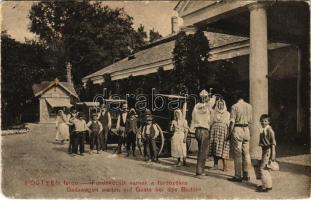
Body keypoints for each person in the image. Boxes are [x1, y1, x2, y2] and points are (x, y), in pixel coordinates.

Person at [227, 90, 253, 182]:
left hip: (237, 129)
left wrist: (229, 133)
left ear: (236, 96)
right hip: (246, 129)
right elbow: (250, 120)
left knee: (237, 154)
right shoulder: (249, 106)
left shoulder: (234, 106)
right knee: (246, 153)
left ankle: (238, 176)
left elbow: (232, 121)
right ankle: (247, 174)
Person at [191, 89, 214, 177]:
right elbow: (212, 101)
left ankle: (200, 170)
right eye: (207, 97)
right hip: (204, 130)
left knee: (201, 150)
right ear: (206, 97)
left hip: (197, 130)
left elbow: (193, 117)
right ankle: (200, 172)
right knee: (203, 152)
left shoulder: (197, 106)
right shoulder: (208, 106)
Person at [256, 114, 276, 192]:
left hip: (268, 150)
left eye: (265, 121)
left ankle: (264, 187)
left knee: (262, 168)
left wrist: (273, 155)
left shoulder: (270, 130)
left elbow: (273, 143)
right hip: (264, 150)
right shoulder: (263, 130)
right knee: (266, 169)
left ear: (268, 122)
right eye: (262, 121)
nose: (263, 122)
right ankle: (268, 186)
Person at [208, 99, 230, 171]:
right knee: (215, 146)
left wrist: (228, 133)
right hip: (215, 131)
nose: (221, 106)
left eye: (222, 104)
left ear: (224, 105)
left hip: (224, 131)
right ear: (217, 105)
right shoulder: (214, 113)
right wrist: (210, 130)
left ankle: (225, 166)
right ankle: (215, 165)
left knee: (224, 147)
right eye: (219, 104)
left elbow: (228, 124)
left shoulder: (227, 113)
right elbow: (211, 122)